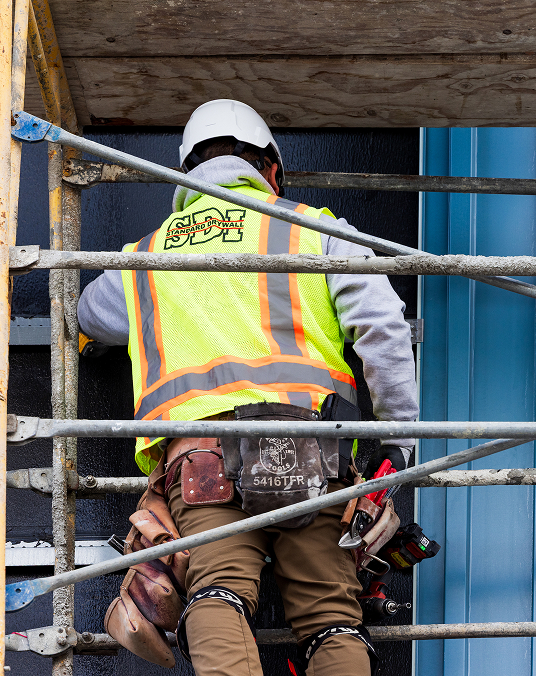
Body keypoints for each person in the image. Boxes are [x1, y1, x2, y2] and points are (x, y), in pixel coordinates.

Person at [78, 99, 419, 676]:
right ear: (272, 170)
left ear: (185, 176)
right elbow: (383, 329)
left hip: (200, 462)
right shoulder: (316, 230)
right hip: (309, 450)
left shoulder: (141, 258)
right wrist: (397, 439)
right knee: (330, 616)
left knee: (218, 592)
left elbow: (90, 316)